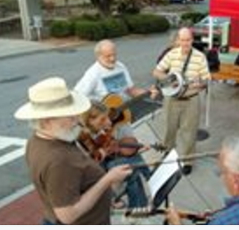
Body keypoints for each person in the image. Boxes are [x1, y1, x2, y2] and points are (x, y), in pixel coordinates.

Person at [14, 77, 132, 224]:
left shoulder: (39, 140)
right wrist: (107, 180)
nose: (77, 120)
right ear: (46, 122)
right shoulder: (59, 160)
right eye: (70, 117)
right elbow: (67, 215)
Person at [152, 27, 211, 175]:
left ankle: (187, 161)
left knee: (189, 132)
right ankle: (167, 156)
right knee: (168, 130)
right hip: (171, 99)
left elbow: (206, 78)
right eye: (182, 40)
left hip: (191, 99)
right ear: (178, 40)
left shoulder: (200, 57)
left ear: (192, 40)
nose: (185, 43)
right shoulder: (171, 54)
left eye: (188, 40)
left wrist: (201, 83)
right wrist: (169, 79)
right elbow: (156, 71)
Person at [79, 100, 151, 210]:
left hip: (102, 162)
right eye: (102, 119)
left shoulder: (96, 130)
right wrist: (106, 150)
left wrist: (134, 148)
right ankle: (135, 201)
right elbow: (94, 158)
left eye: (107, 117)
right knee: (130, 168)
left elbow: (110, 146)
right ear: (90, 120)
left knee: (133, 161)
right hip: (91, 172)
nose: (108, 122)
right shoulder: (83, 135)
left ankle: (139, 204)